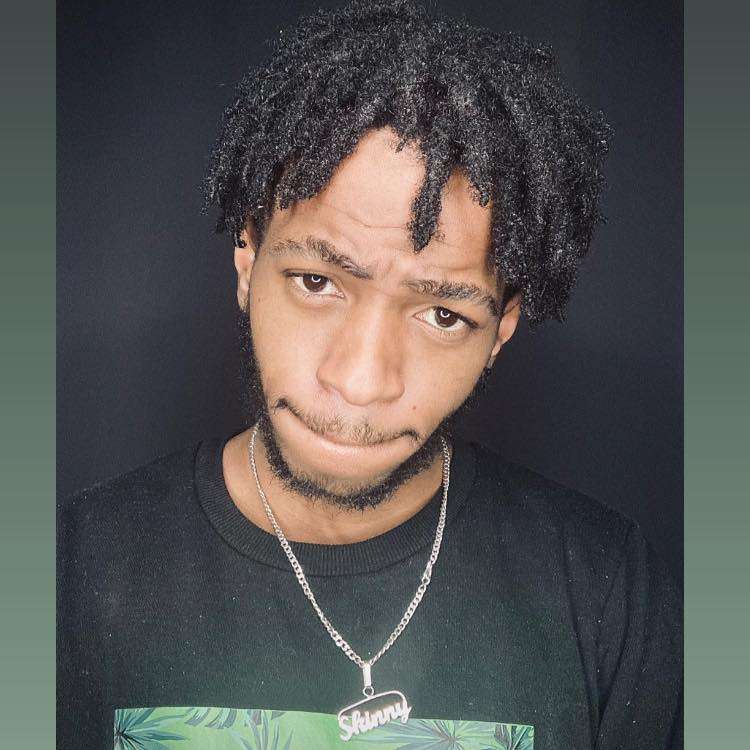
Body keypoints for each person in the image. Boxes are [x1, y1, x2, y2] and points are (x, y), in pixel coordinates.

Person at [57, 1, 682, 748]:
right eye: (318, 282)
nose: (358, 381)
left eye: (443, 315)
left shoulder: (612, 594)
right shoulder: (65, 577)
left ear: (502, 329)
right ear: (248, 259)